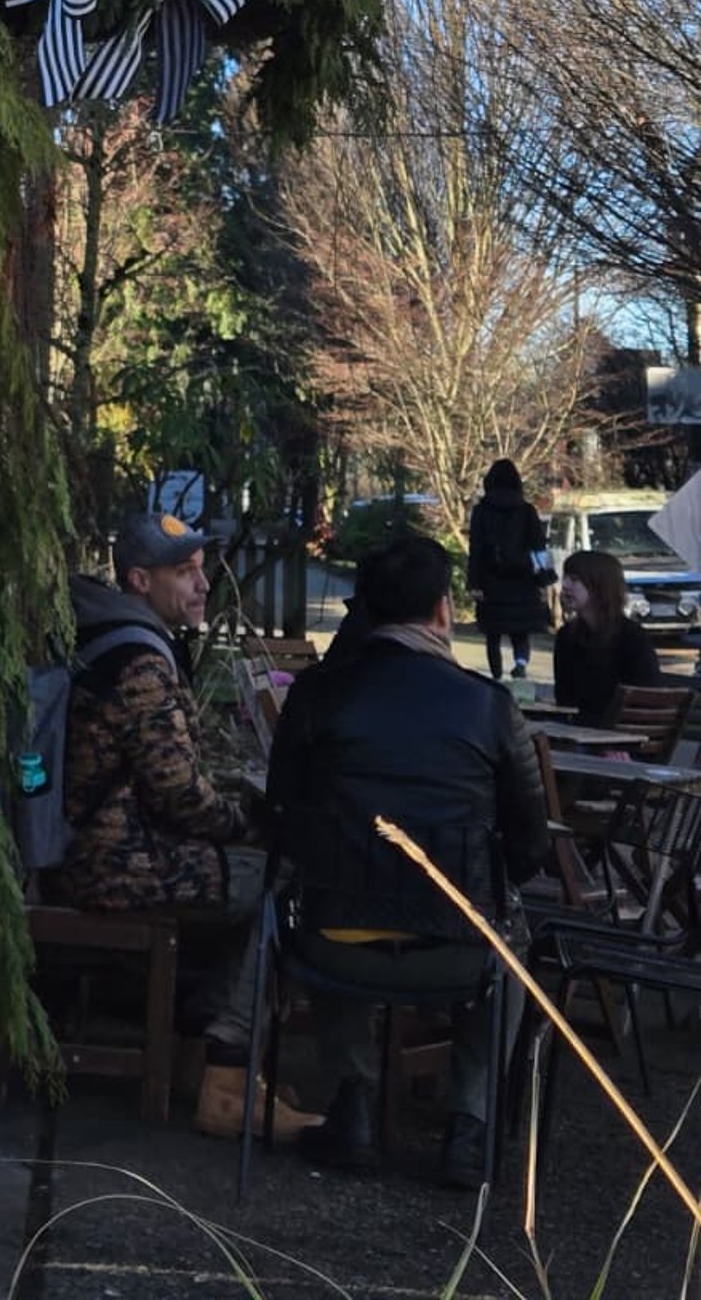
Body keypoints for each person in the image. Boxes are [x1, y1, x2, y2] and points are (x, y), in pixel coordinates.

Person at [266, 533, 548, 1188]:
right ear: (444, 610)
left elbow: (284, 817)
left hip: (334, 945)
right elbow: (530, 846)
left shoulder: (316, 695)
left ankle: (353, 1105)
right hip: (456, 951)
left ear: (363, 610)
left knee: (326, 891)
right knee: (510, 937)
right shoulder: (489, 705)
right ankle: (469, 1125)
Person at [48, 511, 318, 1143]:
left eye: (201, 570)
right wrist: (247, 823)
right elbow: (179, 796)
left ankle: (203, 1059)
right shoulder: (139, 659)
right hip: (116, 864)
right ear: (140, 580)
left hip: (95, 849)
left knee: (254, 877)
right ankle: (228, 1079)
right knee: (280, 879)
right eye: (183, 572)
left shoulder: (107, 635)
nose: (202, 585)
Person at [467, 458, 553, 682]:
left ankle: (496, 675)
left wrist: (473, 583)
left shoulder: (481, 512)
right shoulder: (526, 511)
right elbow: (538, 545)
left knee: (493, 632)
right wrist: (542, 575)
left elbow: (476, 549)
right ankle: (520, 664)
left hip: (490, 580)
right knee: (520, 629)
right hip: (523, 579)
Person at [553, 548, 662, 723]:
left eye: (574, 580)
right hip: (578, 729)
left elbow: (647, 697)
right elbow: (563, 699)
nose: (565, 585)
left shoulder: (632, 637)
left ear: (600, 586)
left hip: (625, 732)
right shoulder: (567, 636)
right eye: (565, 578)